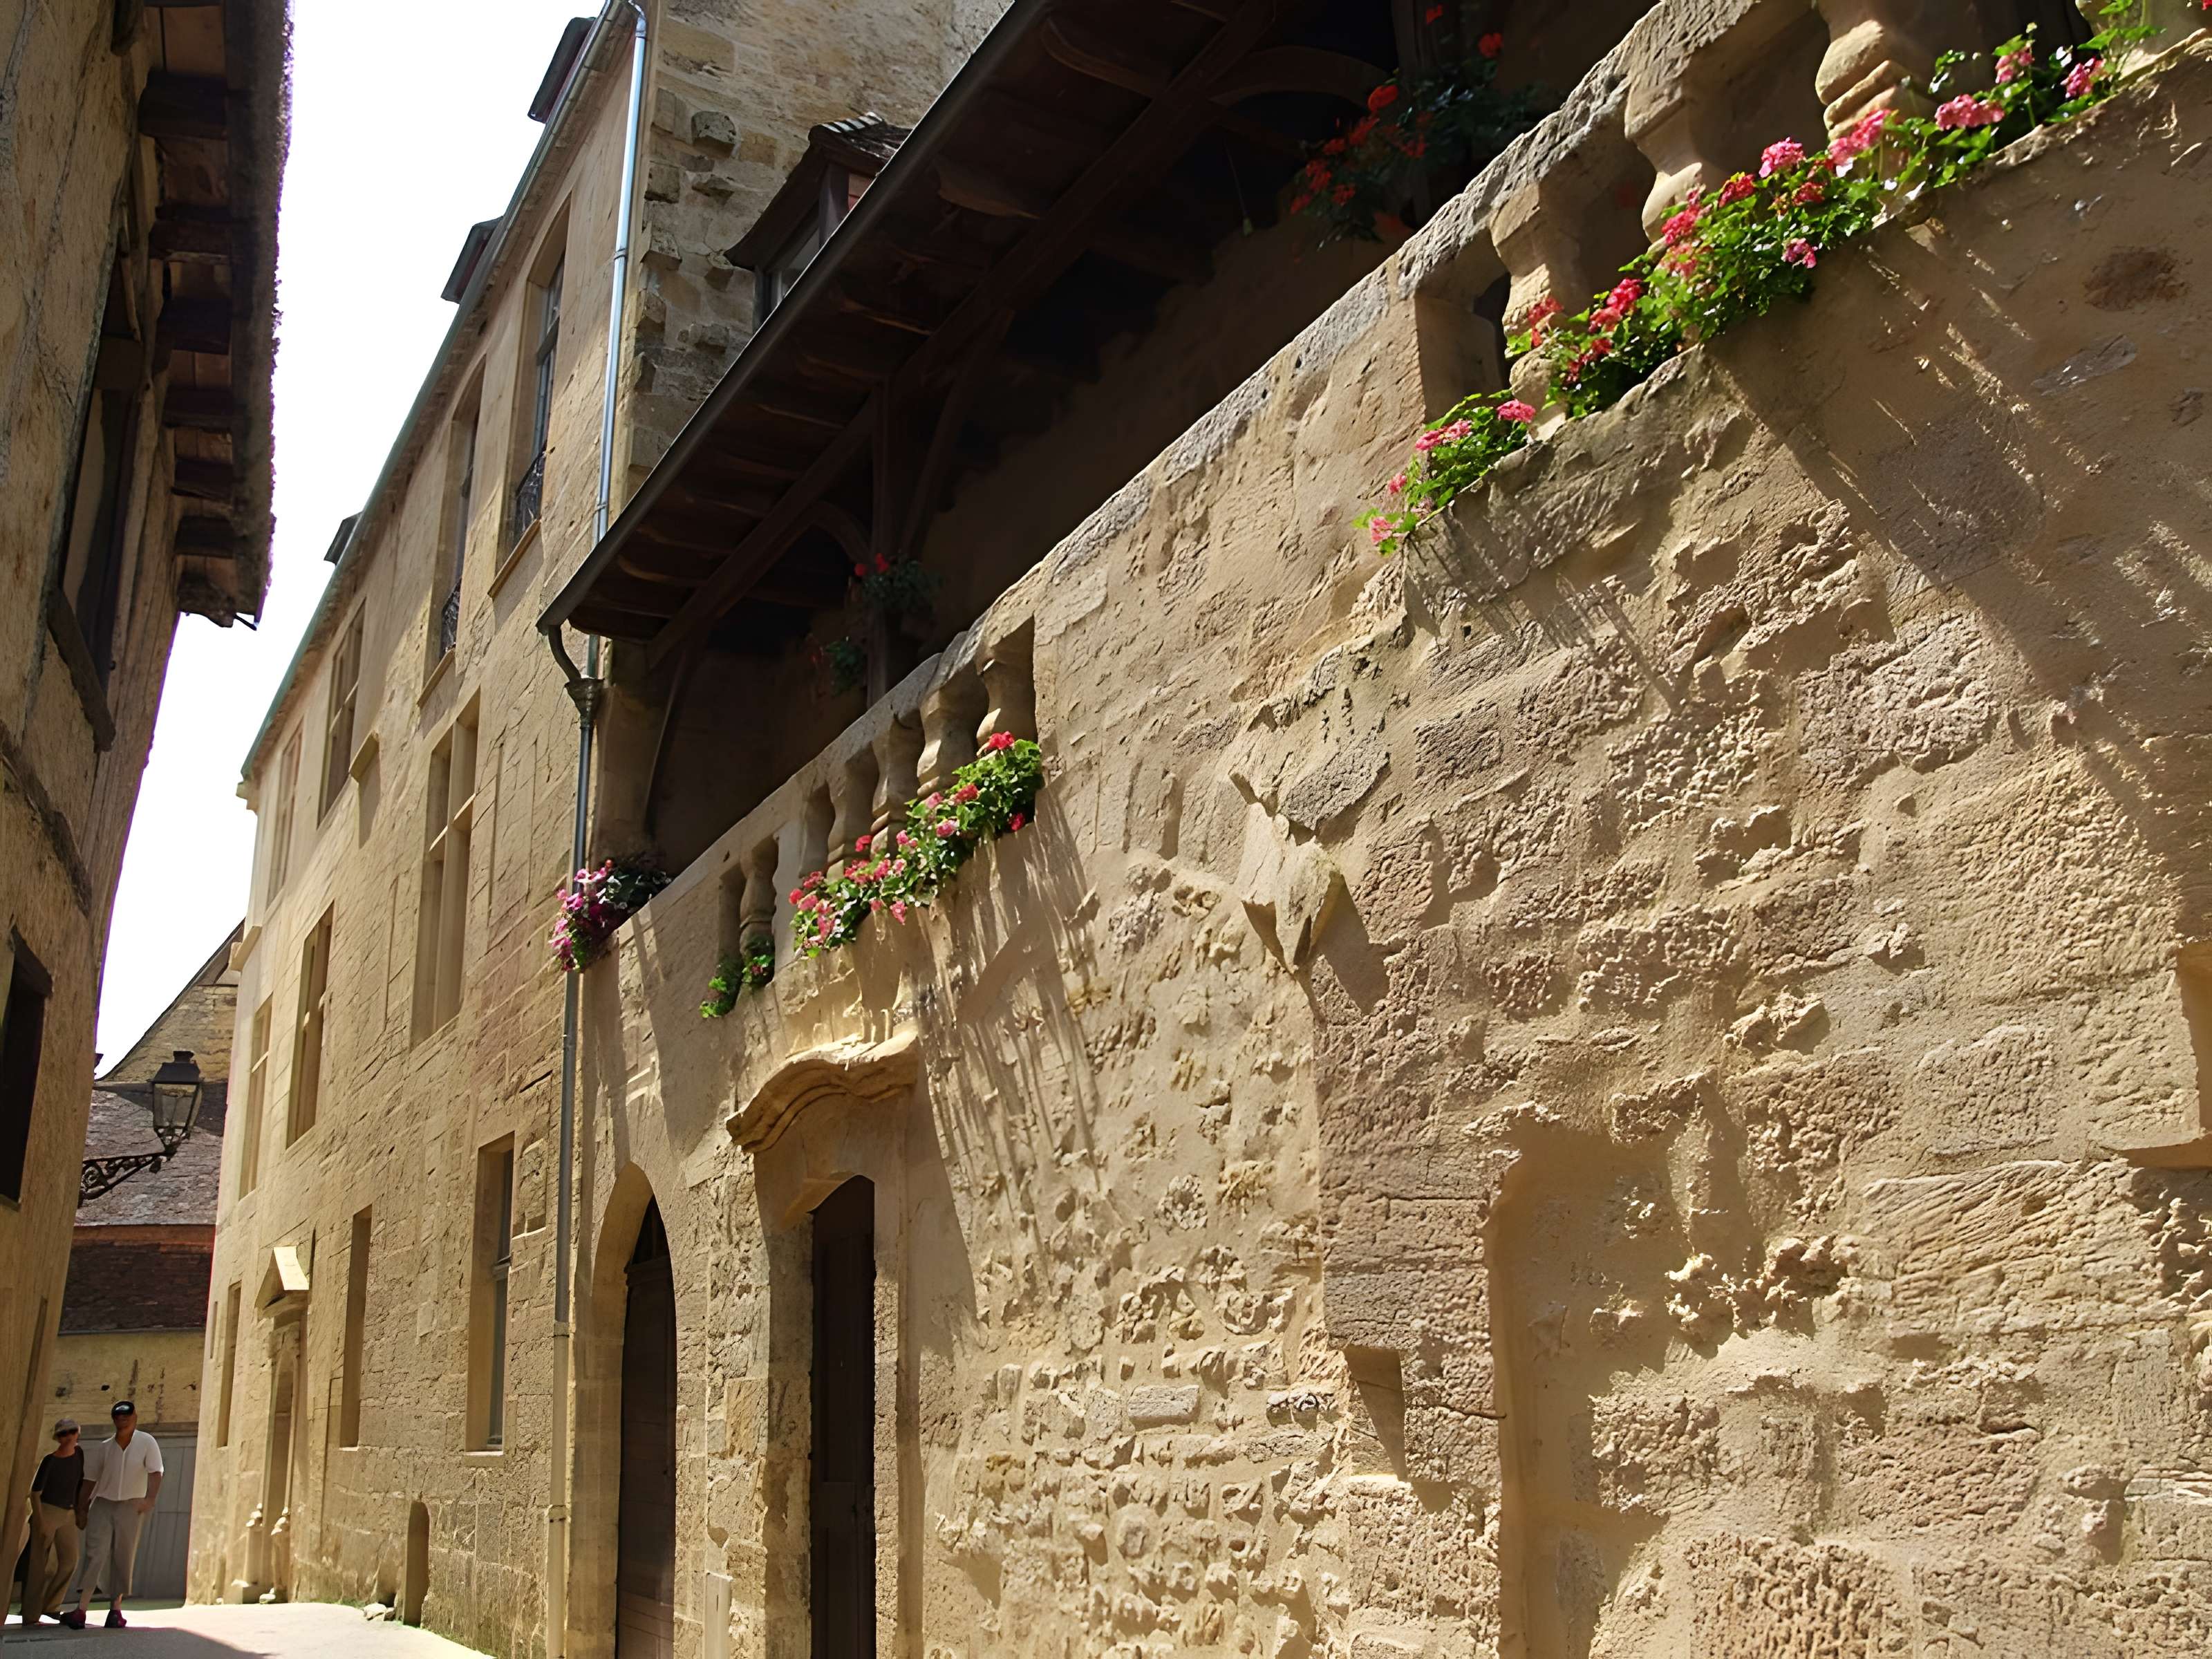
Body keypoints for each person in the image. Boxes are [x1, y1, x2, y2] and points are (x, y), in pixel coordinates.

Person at [60, 1400, 162, 1629]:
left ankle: (115, 1611)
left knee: (122, 1556)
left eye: (127, 1415)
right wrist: (82, 1508)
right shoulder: (104, 1447)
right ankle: (81, 1610)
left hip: (131, 1505)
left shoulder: (147, 1442)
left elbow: (156, 1472)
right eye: (118, 1415)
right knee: (96, 1554)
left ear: (135, 1417)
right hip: (104, 1504)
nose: (122, 1419)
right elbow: (90, 1481)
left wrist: (150, 1500)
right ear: (114, 1419)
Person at [20, 1418, 84, 1625]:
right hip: (46, 1511)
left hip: (68, 1513)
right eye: (63, 1434)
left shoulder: (80, 1454)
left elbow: (80, 1482)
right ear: (57, 1437)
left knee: (70, 1560)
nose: (68, 1437)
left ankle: (51, 1606)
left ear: (77, 1434)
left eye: (72, 1432)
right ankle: (31, 1615)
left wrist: (81, 1511)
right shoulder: (51, 1460)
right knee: (37, 1566)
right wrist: (40, 1522)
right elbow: (35, 1493)